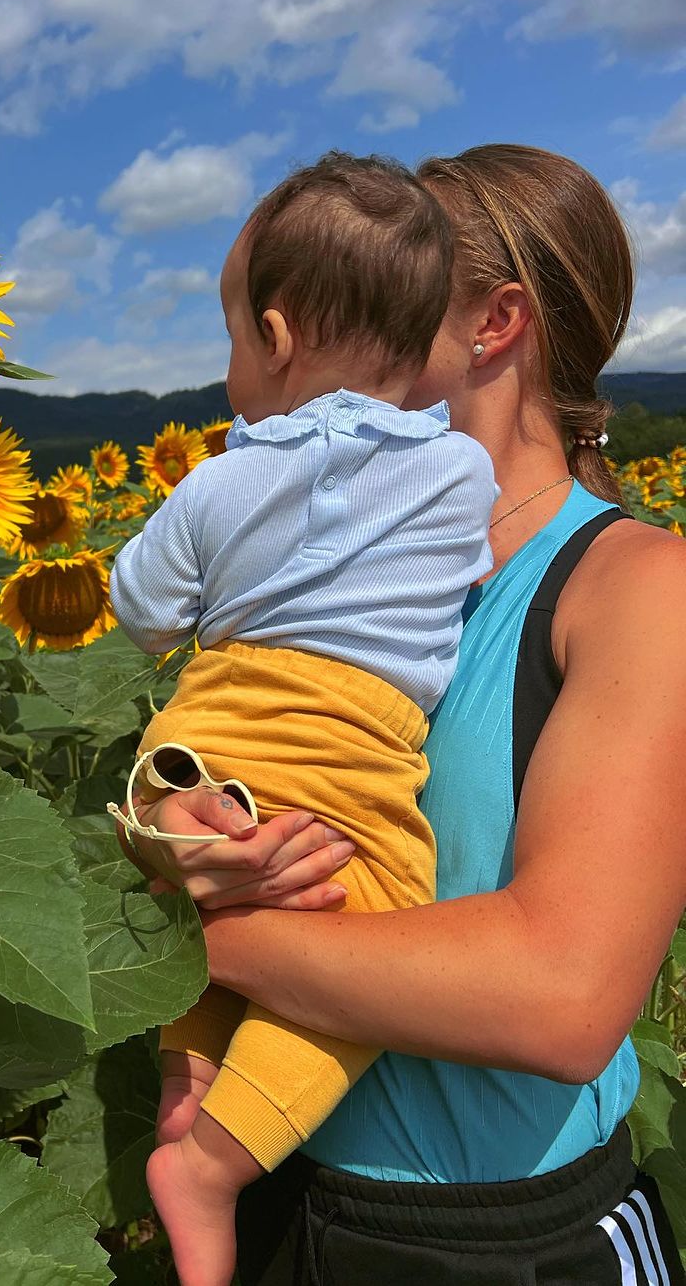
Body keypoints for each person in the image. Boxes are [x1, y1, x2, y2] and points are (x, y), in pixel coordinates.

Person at [119, 144, 686, 1285]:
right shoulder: (306, 567)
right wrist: (180, 852)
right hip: (274, 1186)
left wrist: (190, 947)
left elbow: (562, 996)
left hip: (496, 1237)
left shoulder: (635, 588)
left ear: (492, 323)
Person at [109, 151, 496, 1286]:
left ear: (274, 339)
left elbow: (140, 612)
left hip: (210, 731)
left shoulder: (216, 483)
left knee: (205, 899)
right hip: (345, 752)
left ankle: (188, 1095)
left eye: (233, 339)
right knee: (370, 929)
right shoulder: (463, 475)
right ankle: (218, 1165)